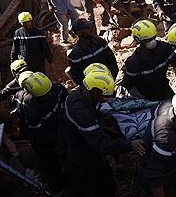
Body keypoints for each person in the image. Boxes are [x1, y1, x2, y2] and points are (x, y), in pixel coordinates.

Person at [61, 69, 145, 197]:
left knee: (106, 183)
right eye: (104, 97)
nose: (105, 101)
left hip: (85, 147)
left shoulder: (80, 95)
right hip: (83, 156)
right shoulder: (80, 112)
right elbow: (102, 145)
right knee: (97, 188)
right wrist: (130, 145)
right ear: (94, 91)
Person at [14, 71, 68, 194]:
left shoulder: (57, 89)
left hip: (60, 129)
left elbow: (66, 100)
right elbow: (41, 138)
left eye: (49, 91)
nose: (49, 95)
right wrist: (60, 138)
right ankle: (59, 189)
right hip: (46, 144)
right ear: (35, 96)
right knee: (52, 168)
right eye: (45, 95)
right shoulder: (34, 113)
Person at [121, 20, 176, 101]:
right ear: (138, 40)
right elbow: (129, 85)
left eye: (153, 38)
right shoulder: (134, 61)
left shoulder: (164, 48)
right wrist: (142, 100)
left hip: (164, 90)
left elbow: (175, 61)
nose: (152, 42)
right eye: (147, 40)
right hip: (145, 96)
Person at [67, 18, 119, 86]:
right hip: (92, 88)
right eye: (86, 28)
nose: (91, 29)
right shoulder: (75, 54)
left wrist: (110, 80)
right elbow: (78, 77)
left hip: (108, 82)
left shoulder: (100, 42)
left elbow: (112, 62)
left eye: (89, 26)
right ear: (79, 33)